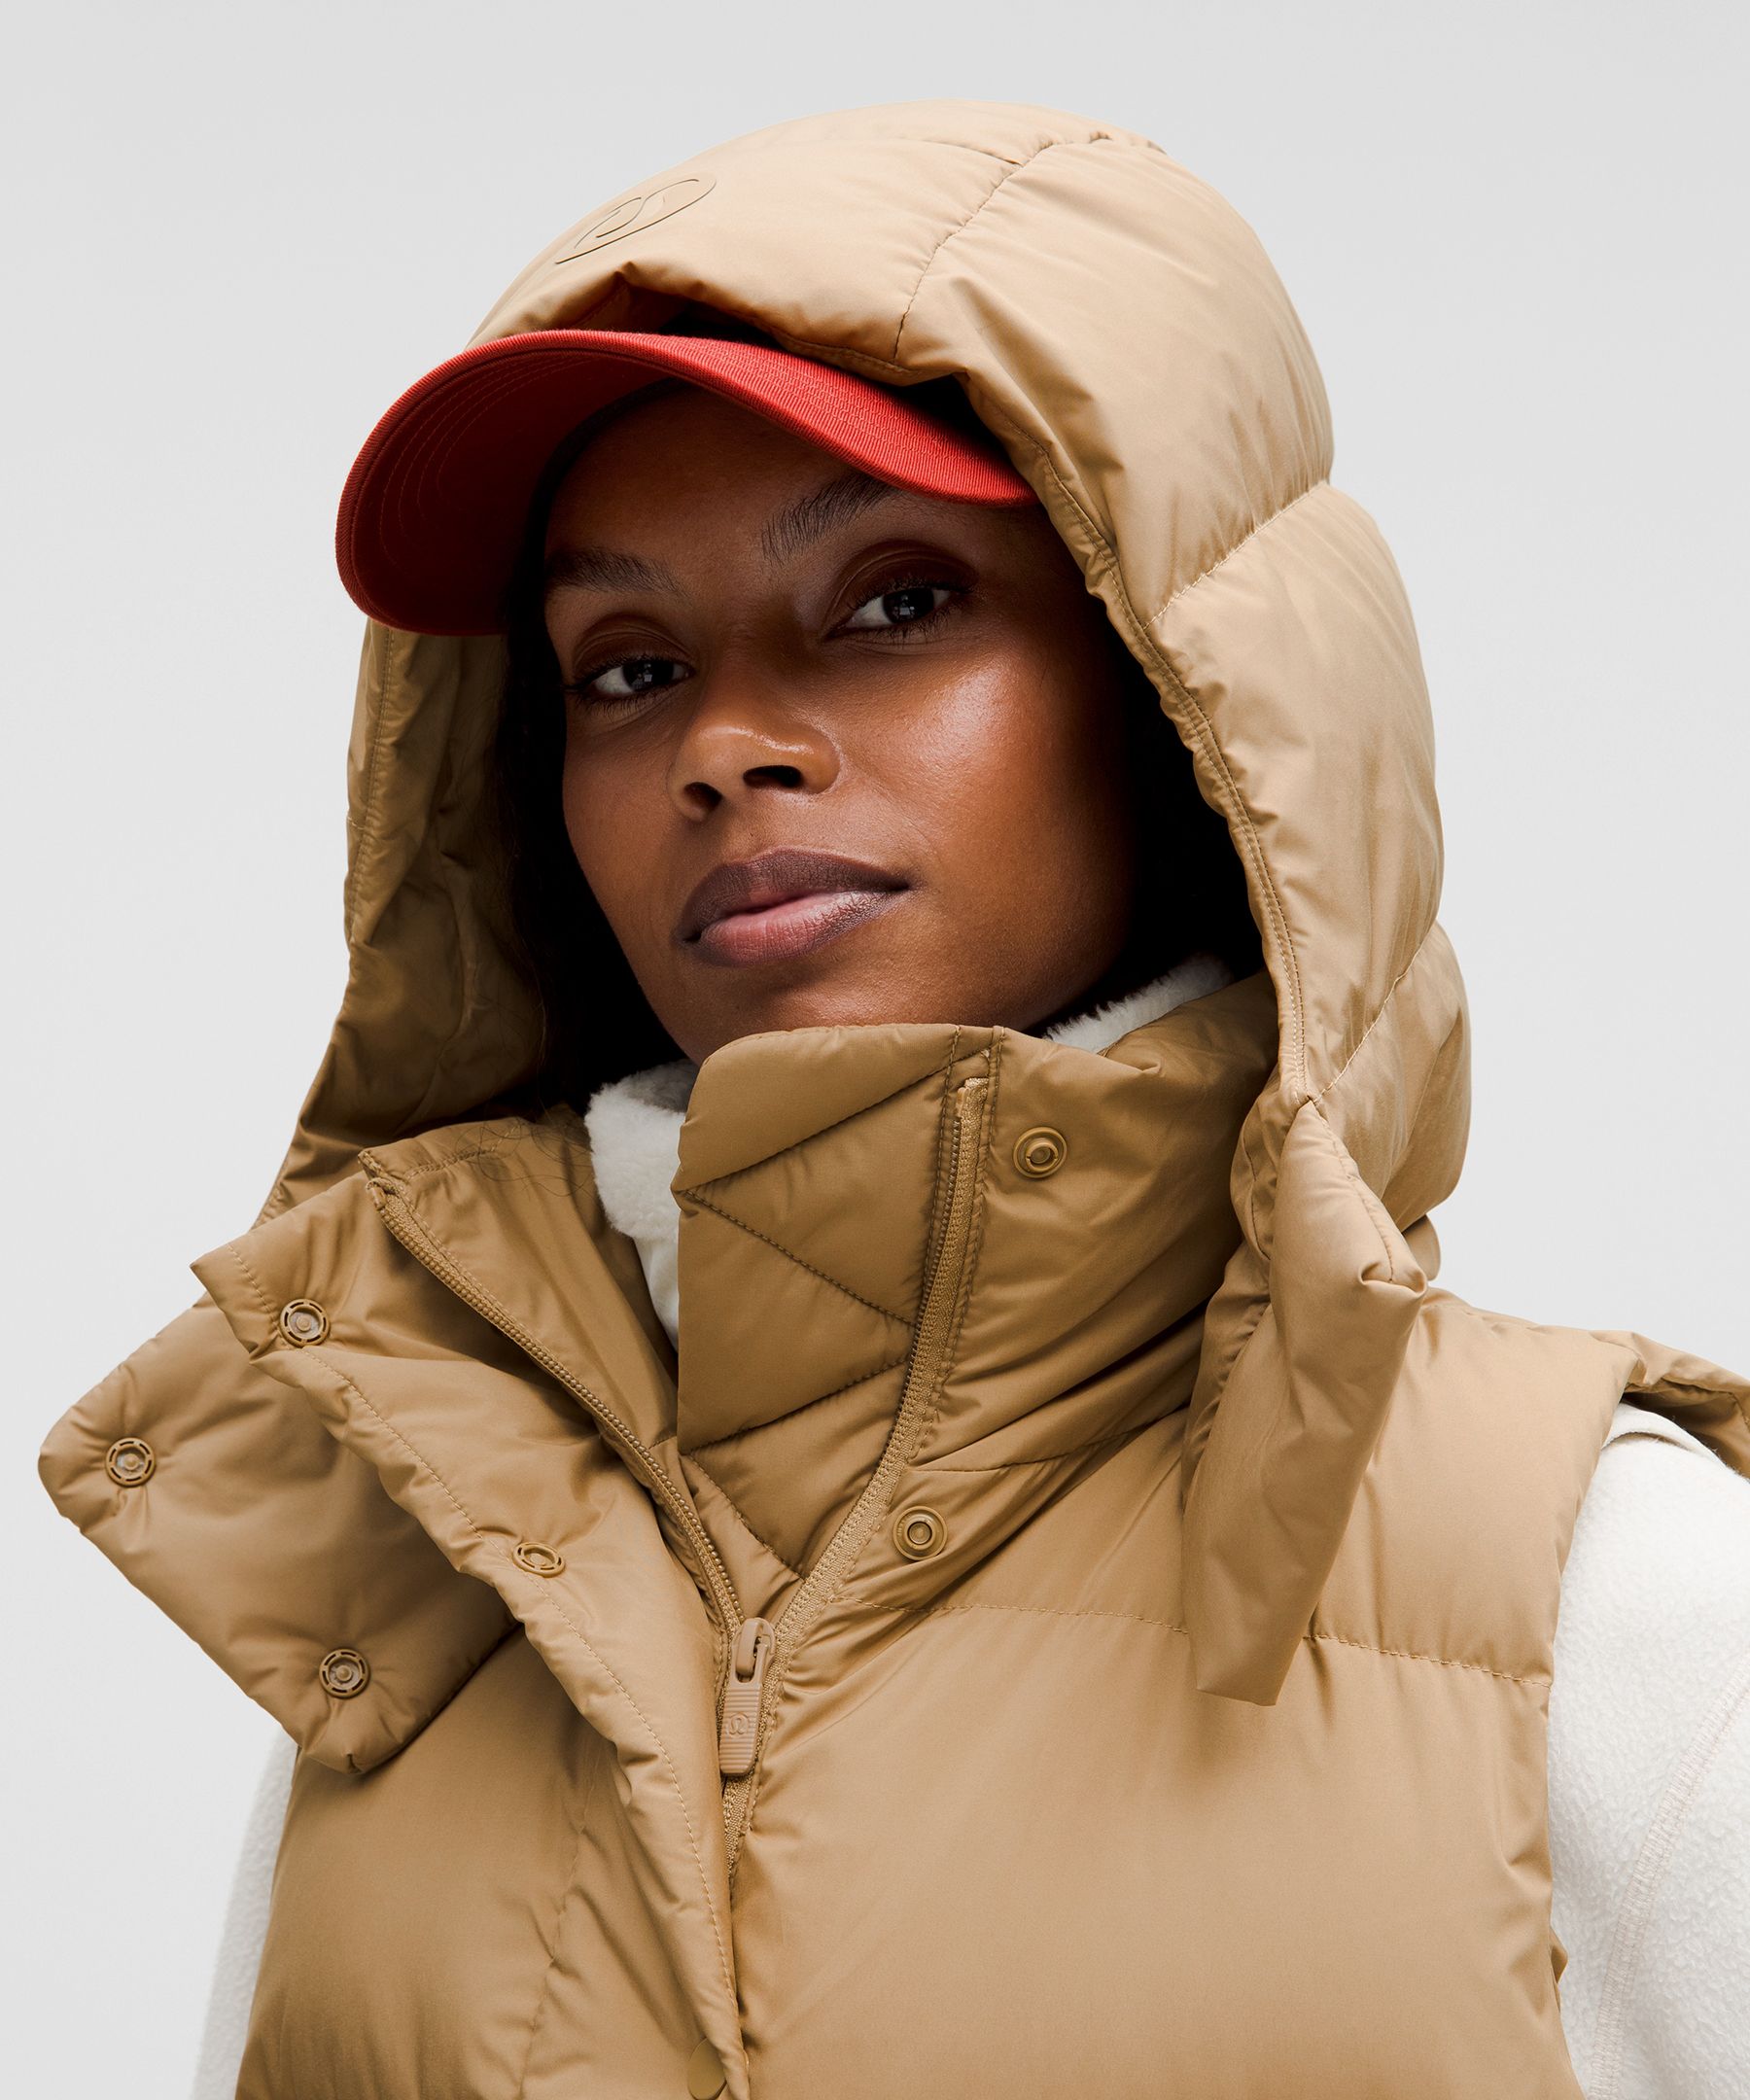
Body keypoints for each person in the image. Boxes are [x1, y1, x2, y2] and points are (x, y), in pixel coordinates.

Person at [40, 100, 1750, 2100]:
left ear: (1183, 694)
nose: (728, 744)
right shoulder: (441, 1604)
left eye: (897, 602)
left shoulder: (1613, 1606)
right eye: (624, 666)